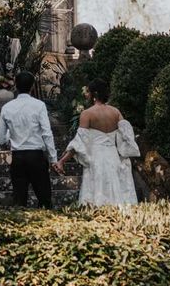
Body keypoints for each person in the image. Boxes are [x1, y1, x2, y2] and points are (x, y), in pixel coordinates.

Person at [54, 78, 139, 206]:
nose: (86, 95)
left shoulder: (87, 114)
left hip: (96, 158)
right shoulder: (115, 112)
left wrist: (62, 160)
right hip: (113, 157)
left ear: (95, 94)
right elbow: (126, 135)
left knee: (96, 193)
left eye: (88, 92)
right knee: (115, 190)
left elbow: (79, 142)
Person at [0, 70, 60, 209]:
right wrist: (53, 158)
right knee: (44, 199)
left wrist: (10, 135)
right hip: (36, 156)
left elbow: (0, 139)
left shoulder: (7, 108)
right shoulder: (39, 105)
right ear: (32, 87)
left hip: (17, 157)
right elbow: (47, 133)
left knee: (19, 202)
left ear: (15, 86)